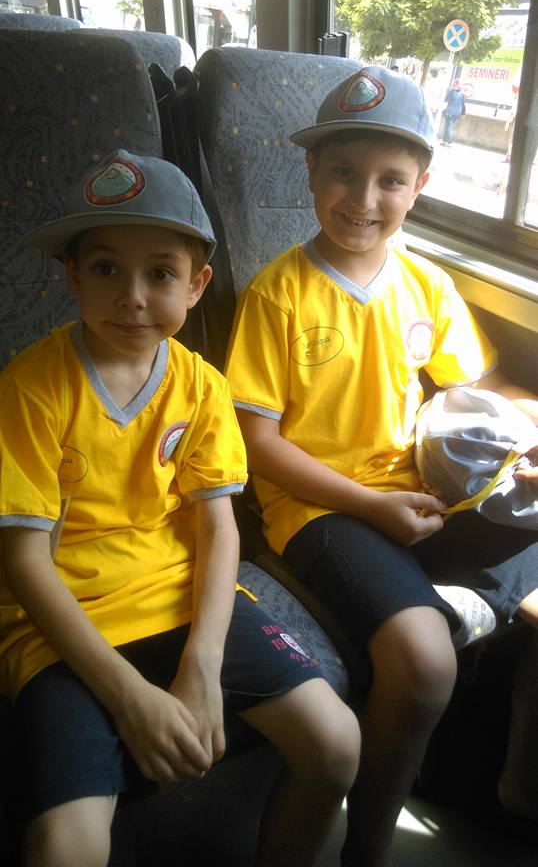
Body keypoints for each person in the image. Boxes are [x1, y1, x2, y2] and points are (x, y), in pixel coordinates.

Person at [0, 150, 360, 867]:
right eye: (106, 269)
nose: (133, 297)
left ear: (196, 285)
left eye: (160, 274)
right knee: (63, 846)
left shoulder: (201, 386)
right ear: (73, 276)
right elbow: (23, 561)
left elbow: (217, 526)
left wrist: (202, 662)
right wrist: (130, 697)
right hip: (59, 623)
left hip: (176, 593)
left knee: (337, 744)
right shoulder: (30, 388)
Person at [224, 66, 538, 866]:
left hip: (417, 488)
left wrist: (522, 432)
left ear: (420, 186)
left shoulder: (425, 283)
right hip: (320, 508)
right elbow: (258, 442)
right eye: (342, 173)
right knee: (425, 664)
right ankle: (367, 845)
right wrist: (370, 508)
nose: (363, 199)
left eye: (390, 181)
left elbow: (478, 385)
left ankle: (452, 621)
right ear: (310, 172)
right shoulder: (278, 294)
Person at [440, 76, 466, 145]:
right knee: (449, 126)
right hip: (457, 113)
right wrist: (463, 113)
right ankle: (444, 141)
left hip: (450, 112)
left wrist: (448, 93)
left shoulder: (452, 91)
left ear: (455, 84)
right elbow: (463, 104)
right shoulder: (462, 94)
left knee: (448, 127)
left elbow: (446, 100)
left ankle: (449, 141)